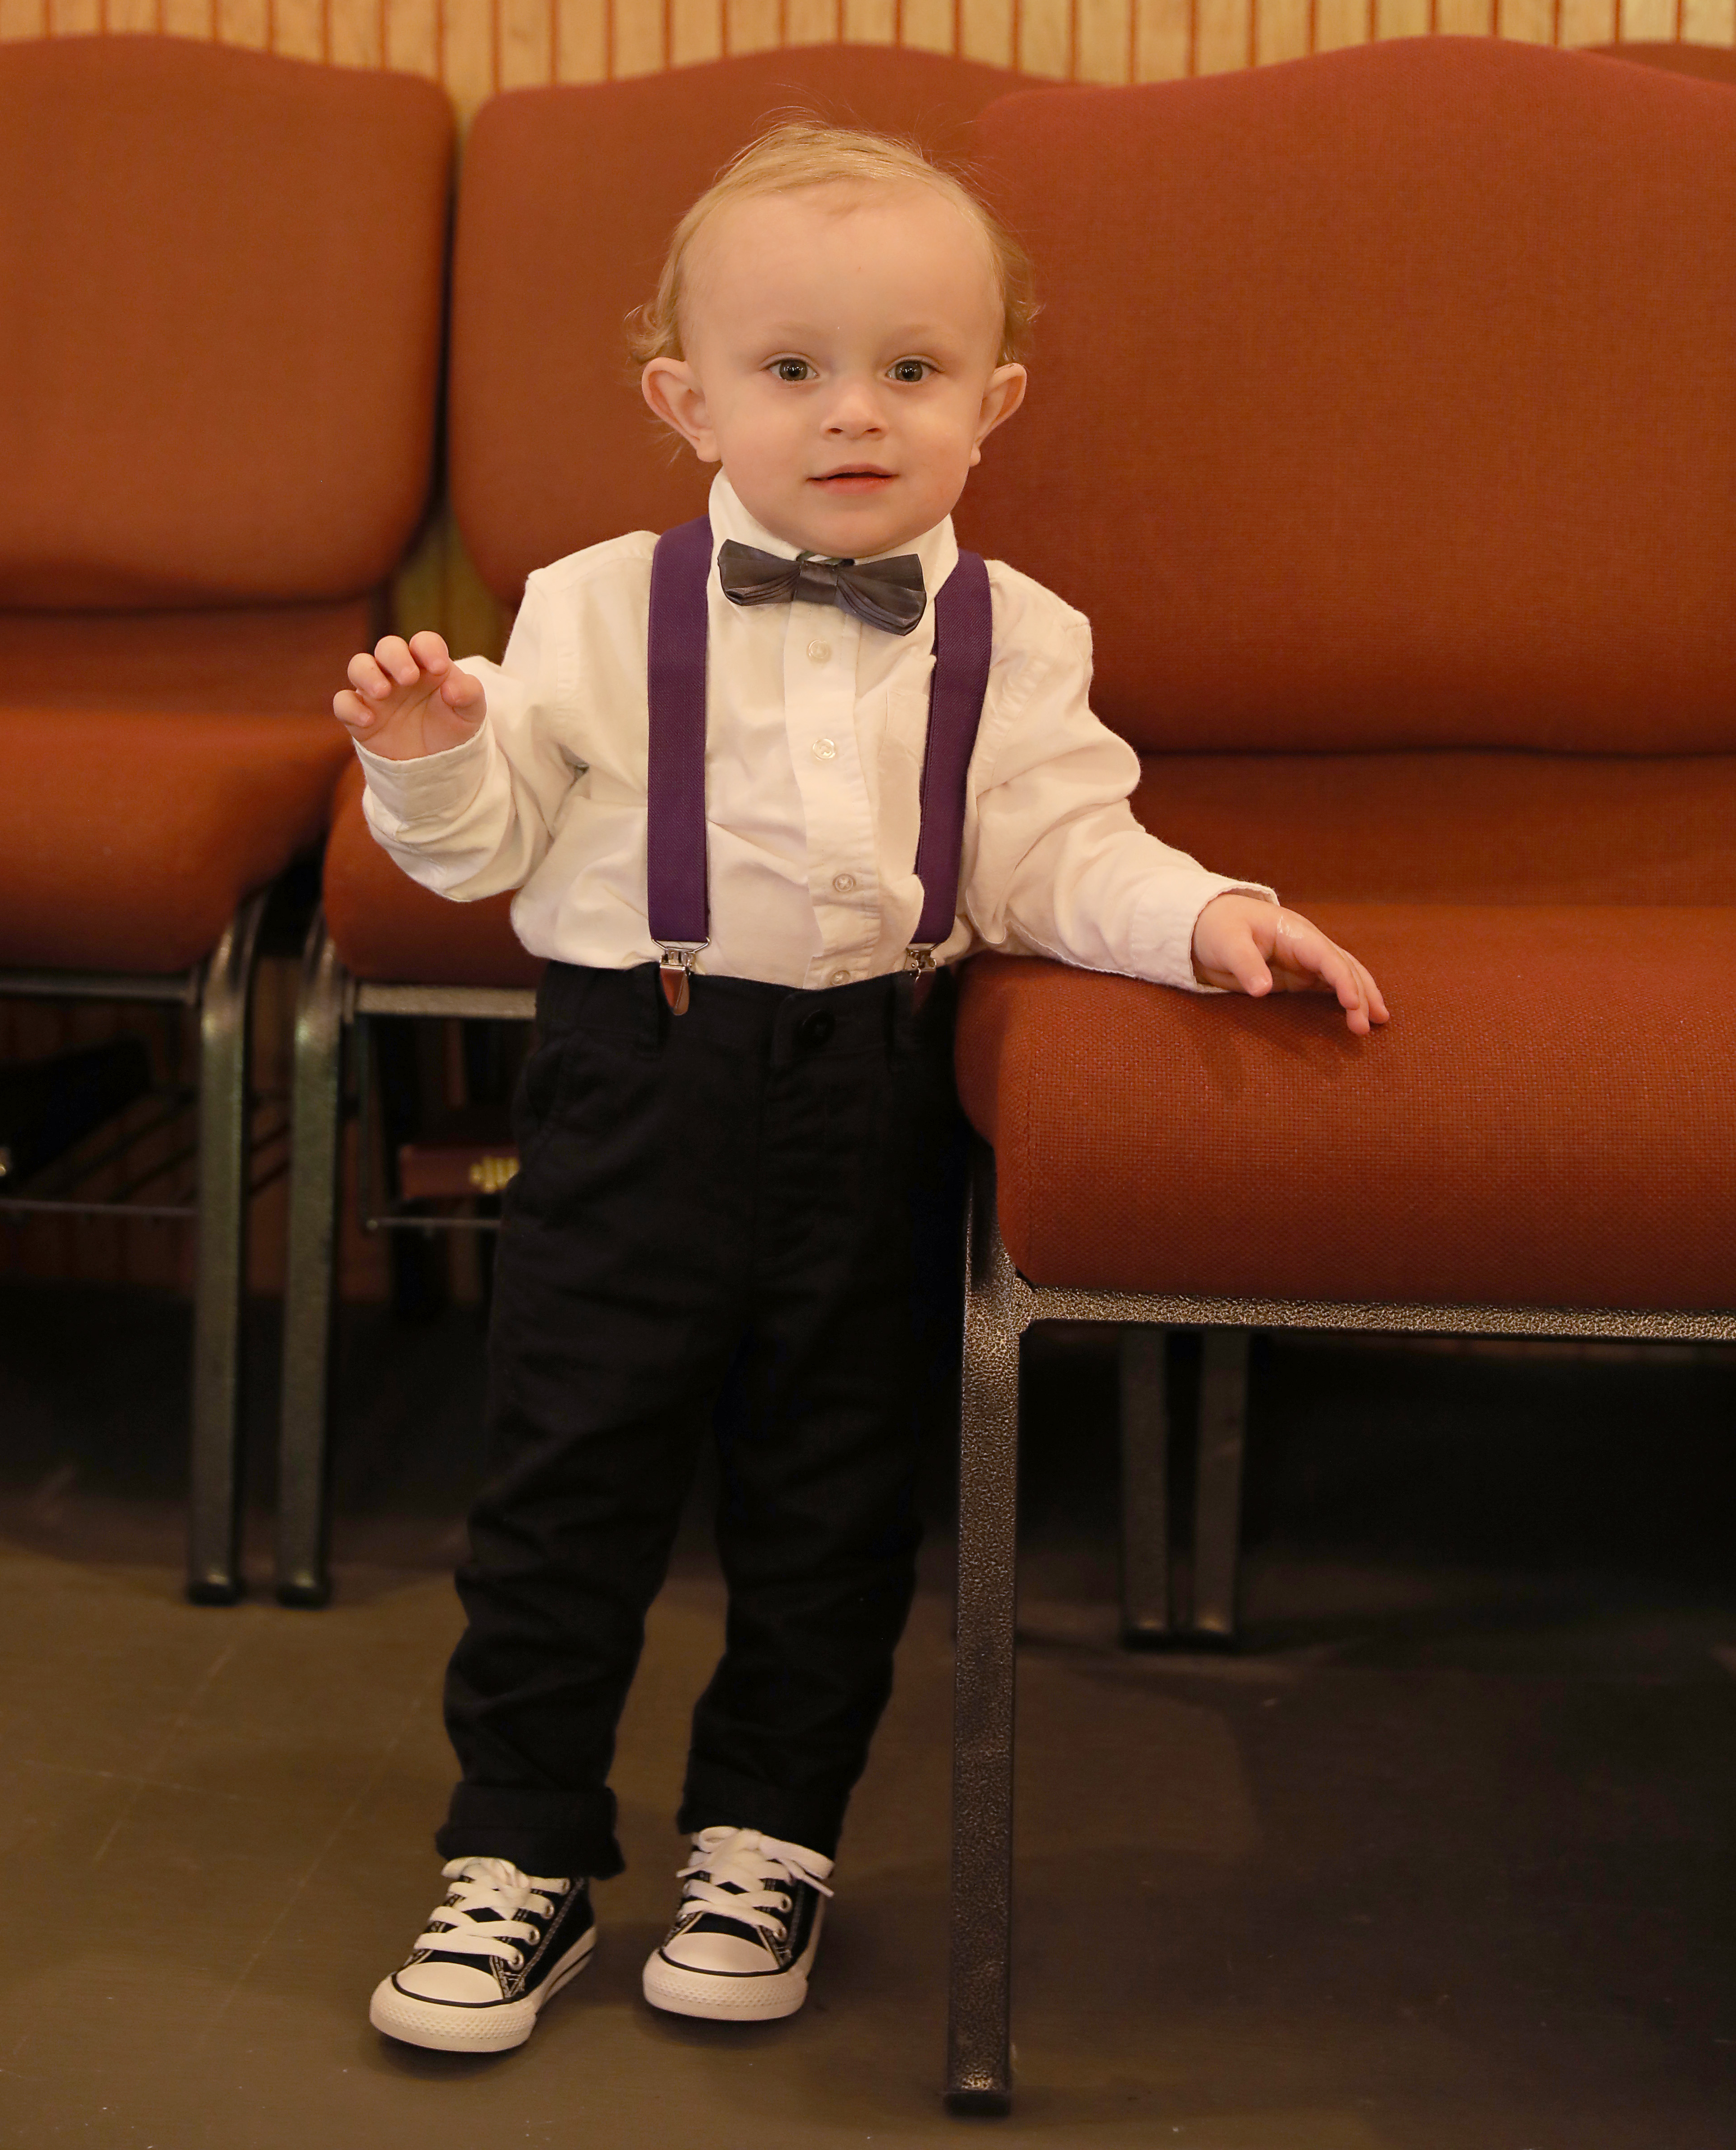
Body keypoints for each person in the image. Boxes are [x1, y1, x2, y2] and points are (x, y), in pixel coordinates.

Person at [334, 124, 1388, 2056]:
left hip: (876, 1094)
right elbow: (483, 851)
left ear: (992, 404)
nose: (853, 413)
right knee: (566, 1485)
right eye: (791, 368)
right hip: (631, 1079)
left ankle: (766, 1839)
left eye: (911, 369)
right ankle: (517, 1852)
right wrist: (425, 755)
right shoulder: (587, 607)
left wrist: (1206, 914)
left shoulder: (1021, 636)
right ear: (688, 401)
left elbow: (1055, 851)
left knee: (831, 1495)